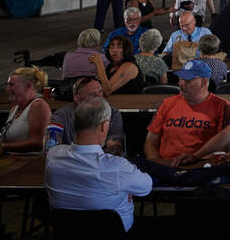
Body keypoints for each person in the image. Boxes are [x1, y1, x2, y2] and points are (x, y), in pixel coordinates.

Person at [45, 97, 153, 231]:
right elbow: (146, 186)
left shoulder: (53, 156)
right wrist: (126, 190)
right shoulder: (117, 167)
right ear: (103, 126)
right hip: (116, 238)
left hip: (65, 235)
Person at [144, 60, 230, 165]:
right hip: (165, 165)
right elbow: (150, 142)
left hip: (199, 167)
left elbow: (223, 149)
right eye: (181, 79)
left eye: (188, 80)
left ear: (204, 82)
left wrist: (195, 162)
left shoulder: (222, 106)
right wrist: (156, 163)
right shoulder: (167, 104)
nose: (181, 83)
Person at [50, 77, 125, 155]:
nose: (100, 98)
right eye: (93, 95)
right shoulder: (61, 116)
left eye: (100, 92)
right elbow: (51, 145)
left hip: (101, 161)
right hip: (72, 160)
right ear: (77, 99)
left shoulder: (113, 114)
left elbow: (114, 149)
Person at [0, 66, 53, 153]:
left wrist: (1, 147)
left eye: (11, 84)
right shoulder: (15, 108)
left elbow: (38, 144)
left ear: (28, 86)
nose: (7, 89)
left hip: (30, 160)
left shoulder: (37, 106)